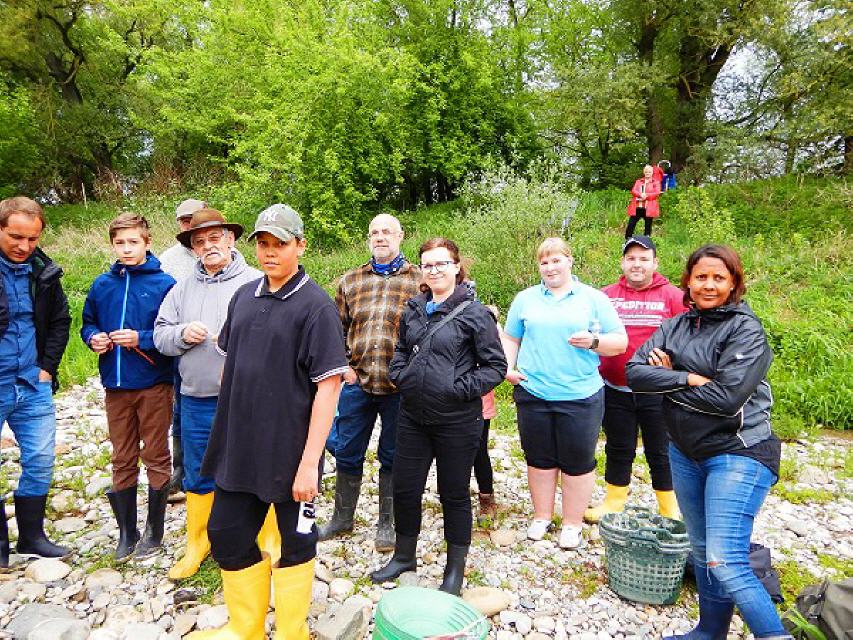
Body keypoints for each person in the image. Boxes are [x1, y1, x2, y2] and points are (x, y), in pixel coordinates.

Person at [187, 204, 347, 640]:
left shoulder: (316, 308)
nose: (270, 252)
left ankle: (293, 630)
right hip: (241, 448)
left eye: (280, 243)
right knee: (225, 534)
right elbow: (232, 366)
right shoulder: (243, 297)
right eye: (263, 243)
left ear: (301, 245)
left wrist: (310, 464)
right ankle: (248, 629)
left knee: (297, 541)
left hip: (292, 453)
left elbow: (329, 388)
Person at [626, 245, 789, 640]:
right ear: (688, 281)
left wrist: (667, 379)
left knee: (725, 559)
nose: (709, 285)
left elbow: (726, 399)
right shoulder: (674, 326)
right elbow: (635, 373)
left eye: (719, 278)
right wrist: (686, 378)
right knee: (700, 549)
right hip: (685, 451)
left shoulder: (746, 331)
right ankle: (710, 631)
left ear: (734, 283)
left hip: (739, 451)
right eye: (701, 277)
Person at [370, 238, 506, 595]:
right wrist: (400, 375)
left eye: (442, 263)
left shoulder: (475, 313)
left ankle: (454, 569)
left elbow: (495, 366)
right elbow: (402, 348)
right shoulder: (414, 308)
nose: (434, 271)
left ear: (456, 267)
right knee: (405, 488)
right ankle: (404, 556)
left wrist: (458, 389)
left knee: (454, 494)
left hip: (457, 421)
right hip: (413, 417)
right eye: (428, 265)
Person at [154, 208, 262, 579]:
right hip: (196, 398)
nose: (208, 246)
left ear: (230, 239)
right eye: (199, 241)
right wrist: (182, 334)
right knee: (199, 472)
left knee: (251, 466)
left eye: (215, 238)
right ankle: (198, 542)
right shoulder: (181, 288)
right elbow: (160, 335)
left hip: (246, 400)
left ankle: (259, 536)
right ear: (193, 248)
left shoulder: (257, 282)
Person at [502, 237, 627, 549]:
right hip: (533, 391)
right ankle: (542, 516)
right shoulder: (525, 299)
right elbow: (511, 337)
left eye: (556, 260)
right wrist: (507, 368)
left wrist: (594, 341)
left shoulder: (594, 299)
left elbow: (620, 342)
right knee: (539, 459)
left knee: (578, 461)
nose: (550, 267)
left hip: (580, 394)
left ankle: (572, 523)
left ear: (570, 261)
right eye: (544, 262)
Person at [319, 213, 421, 552]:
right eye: (374, 232)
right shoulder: (350, 281)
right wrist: (342, 367)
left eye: (387, 231)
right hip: (357, 381)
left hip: (399, 386)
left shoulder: (419, 280)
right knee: (347, 451)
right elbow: (335, 329)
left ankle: (387, 524)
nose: (380, 237)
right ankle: (342, 519)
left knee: (393, 454)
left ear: (400, 236)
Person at [81, 213, 176, 559]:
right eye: (119, 243)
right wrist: (93, 338)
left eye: (133, 242)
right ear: (112, 245)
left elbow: (172, 332)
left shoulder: (165, 284)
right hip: (115, 385)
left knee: (156, 454)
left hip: (154, 383)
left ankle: (154, 531)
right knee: (122, 456)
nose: (126, 249)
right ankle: (127, 531)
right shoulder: (102, 285)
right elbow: (87, 322)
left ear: (147, 243)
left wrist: (141, 338)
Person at [584, 236, 687, 523]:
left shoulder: (674, 297)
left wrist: (677, 367)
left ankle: (669, 508)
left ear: (655, 263)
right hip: (614, 387)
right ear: (622, 263)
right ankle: (613, 502)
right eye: (631, 258)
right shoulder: (605, 296)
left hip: (658, 391)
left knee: (661, 450)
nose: (637, 264)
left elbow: (692, 337)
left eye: (643, 259)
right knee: (618, 446)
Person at [0, 196, 71, 568]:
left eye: (32, 238)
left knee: (41, 458)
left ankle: (31, 537)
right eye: (15, 237)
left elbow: (60, 320)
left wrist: (47, 368)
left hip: (32, 383)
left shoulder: (43, 271)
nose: (24, 246)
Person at [159, 198, 207, 500]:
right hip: (182, 347)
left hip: (219, 348)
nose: (189, 224)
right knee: (181, 411)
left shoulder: (230, 254)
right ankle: (181, 468)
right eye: (184, 220)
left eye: (194, 218)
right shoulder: (168, 260)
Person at [473, 305, 501, 526]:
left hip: (479, 399)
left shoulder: (484, 317)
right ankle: (452, 493)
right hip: (449, 398)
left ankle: (486, 497)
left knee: (479, 451)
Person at [625, 165, 661, 238]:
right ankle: (628, 239)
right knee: (631, 224)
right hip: (638, 206)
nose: (647, 173)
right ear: (644, 172)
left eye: (649, 172)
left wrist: (646, 196)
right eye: (646, 171)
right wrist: (640, 195)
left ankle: (646, 240)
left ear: (652, 173)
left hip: (649, 207)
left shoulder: (656, 182)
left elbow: (657, 193)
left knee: (648, 225)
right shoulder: (638, 181)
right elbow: (633, 190)